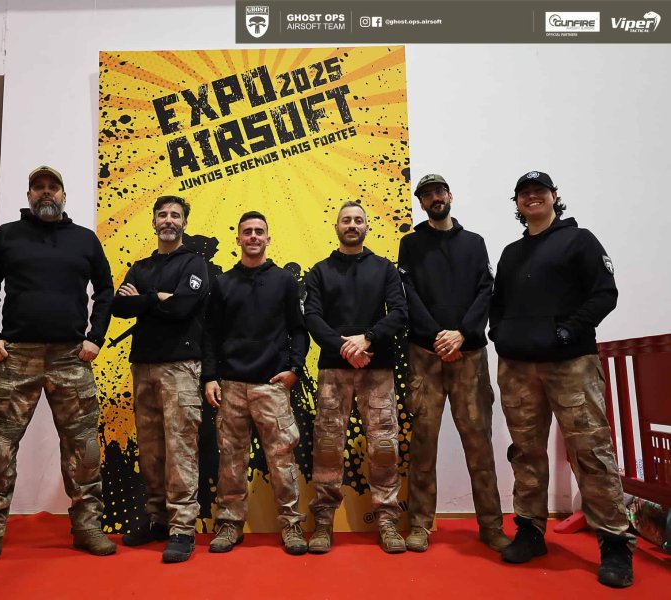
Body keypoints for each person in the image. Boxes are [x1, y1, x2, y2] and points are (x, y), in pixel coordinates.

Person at [0, 165, 115, 571]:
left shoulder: (84, 239)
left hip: (71, 357)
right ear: (29, 195)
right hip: (17, 357)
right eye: (38, 187)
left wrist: (95, 337)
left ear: (63, 195)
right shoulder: (8, 236)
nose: (46, 193)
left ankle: (88, 527)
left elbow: (105, 289)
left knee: (83, 449)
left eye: (53, 187)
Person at [490, 170, 635, 588]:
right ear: (517, 204)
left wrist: (568, 331)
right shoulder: (512, 253)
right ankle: (530, 531)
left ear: (554, 196)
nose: (532, 197)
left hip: (571, 364)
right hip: (517, 367)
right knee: (525, 453)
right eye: (524, 193)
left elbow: (605, 293)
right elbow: (498, 304)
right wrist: (500, 335)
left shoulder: (580, 240)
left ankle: (614, 543)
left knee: (591, 451)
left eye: (540, 191)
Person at [398, 174, 510, 553]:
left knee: (479, 444)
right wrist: (437, 337)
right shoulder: (410, 244)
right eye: (427, 195)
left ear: (450, 196)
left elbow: (485, 291)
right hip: (424, 356)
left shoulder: (474, 243)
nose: (435, 198)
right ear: (421, 202)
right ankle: (419, 525)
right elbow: (408, 294)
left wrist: (461, 334)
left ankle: (491, 526)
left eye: (439, 192)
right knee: (423, 444)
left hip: (469, 354)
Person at [304, 201, 408, 554]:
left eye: (358, 220)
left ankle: (387, 521)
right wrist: (344, 347)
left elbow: (399, 313)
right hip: (334, 370)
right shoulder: (319, 272)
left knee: (383, 446)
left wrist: (368, 339)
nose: (352, 225)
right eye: (346, 220)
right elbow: (312, 318)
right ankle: (323, 522)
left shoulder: (384, 269)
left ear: (367, 227)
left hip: (377, 369)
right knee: (327, 447)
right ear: (336, 227)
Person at [202, 211, 309, 555]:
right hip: (231, 386)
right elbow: (210, 334)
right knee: (231, 462)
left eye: (258, 231)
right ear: (238, 239)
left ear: (267, 238)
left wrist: (295, 369)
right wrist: (210, 376)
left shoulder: (284, 281)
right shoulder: (222, 283)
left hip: (272, 386)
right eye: (247, 231)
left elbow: (298, 330)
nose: (253, 236)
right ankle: (229, 525)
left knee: (282, 461)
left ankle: (291, 526)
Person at [111, 195, 208, 563]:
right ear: (153, 222)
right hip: (143, 366)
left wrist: (144, 299)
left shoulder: (194, 263)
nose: (168, 220)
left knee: (181, 449)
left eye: (175, 215)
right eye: (162, 215)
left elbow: (184, 306)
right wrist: (158, 298)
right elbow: (120, 306)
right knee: (151, 450)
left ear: (184, 223)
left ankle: (182, 528)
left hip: (180, 367)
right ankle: (158, 519)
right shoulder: (140, 266)